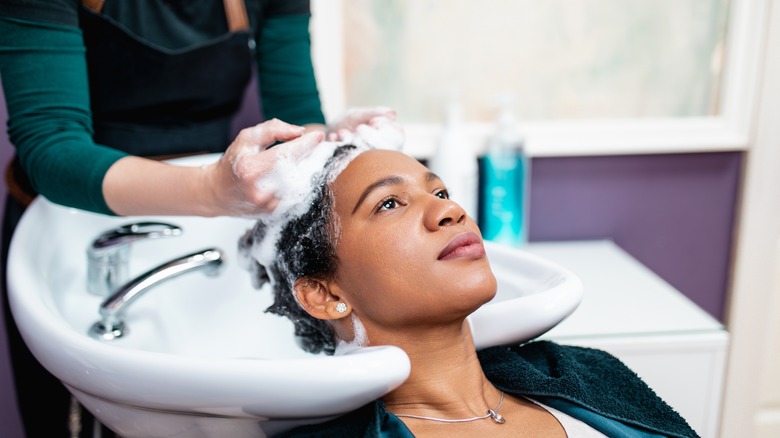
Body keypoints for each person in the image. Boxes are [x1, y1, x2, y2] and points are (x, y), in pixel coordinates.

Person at [0, 1, 396, 436]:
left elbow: (296, 109)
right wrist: (211, 190)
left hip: (213, 221)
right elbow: (52, 149)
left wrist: (326, 142)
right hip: (71, 228)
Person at [238, 144, 700, 437]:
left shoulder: (587, 374)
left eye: (439, 193)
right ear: (322, 292)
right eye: (390, 203)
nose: (450, 211)